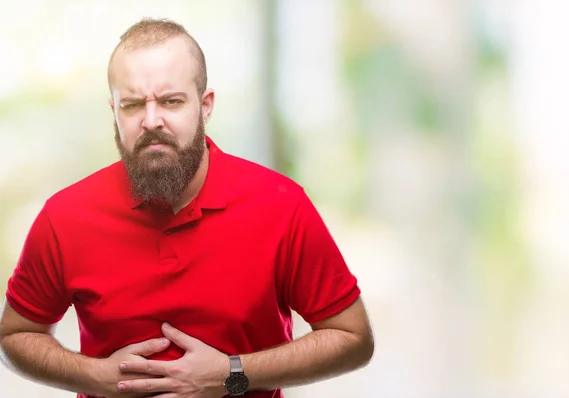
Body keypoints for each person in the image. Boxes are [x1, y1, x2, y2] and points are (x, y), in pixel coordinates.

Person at [0, 18, 374, 398]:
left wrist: (233, 373)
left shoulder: (280, 204)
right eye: (131, 105)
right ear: (113, 110)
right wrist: (93, 376)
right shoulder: (65, 216)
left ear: (205, 105)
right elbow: (14, 336)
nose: (151, 121)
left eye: (171, 101)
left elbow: (353, 338)